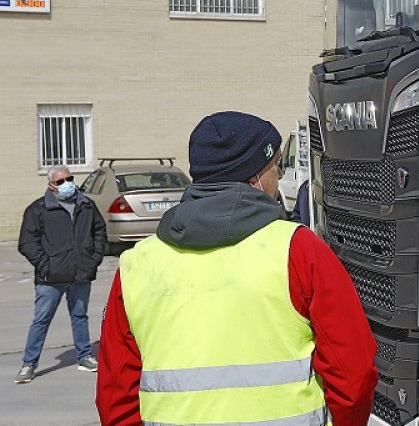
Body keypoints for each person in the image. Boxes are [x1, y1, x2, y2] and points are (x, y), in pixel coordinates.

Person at [97, 111, 378, 426]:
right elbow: (352, 372)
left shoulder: (139, 264)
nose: (279, 177)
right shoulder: (299, 250)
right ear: (255, 176)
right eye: (276, 167)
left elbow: (115, 393)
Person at [15, 164, 107, 383]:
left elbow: (99, 232)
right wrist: (46, 266)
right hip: (50, 279)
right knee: (41, 320)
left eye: (69, 178)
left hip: (80, 274)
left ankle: (84, 356)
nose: (66, 184)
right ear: (50, 185)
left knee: (79, 316)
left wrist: (92, 260)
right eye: (60, 181)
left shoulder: (86, 205)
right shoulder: (38, 209)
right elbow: (27, 243)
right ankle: (29, 364)